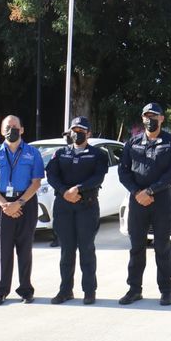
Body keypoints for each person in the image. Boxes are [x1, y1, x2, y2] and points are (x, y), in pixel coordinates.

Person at [117, 102, 171, 306]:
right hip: (137, 201)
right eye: (146, 115)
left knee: (162, 247)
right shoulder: (132, 142)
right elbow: (123, 171)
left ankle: (166, 290)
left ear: (162, 118)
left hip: (161, 200)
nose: (149, 119)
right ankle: (134, 289)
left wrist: (151, 191)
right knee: (136, 247)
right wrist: (137, 192)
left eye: (154, 115)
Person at [45, 117, 108, 305]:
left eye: (81, 130)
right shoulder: (60, 153)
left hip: (86, 205)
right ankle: (65, 290)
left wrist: (77, 189)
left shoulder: (97, 154)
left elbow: (98, 177)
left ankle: (89, 291)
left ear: (88, 133)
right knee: (66, 250)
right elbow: (52, 175)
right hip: (64, 205)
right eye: (74, 129)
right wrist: (65, 191)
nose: (77, 133)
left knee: (86, 249)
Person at [0, 115, 44, 305]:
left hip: (25, 202)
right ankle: (0, 291)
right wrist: (5, 205)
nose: (12, 130)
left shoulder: (33, 153)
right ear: (2, 131)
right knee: (2, 250)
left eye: (15, 126)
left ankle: (26, 289)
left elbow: (36, 183)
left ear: (22, 130)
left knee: (25, 249)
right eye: (8, 127)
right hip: (2, 204)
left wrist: (20, 203)